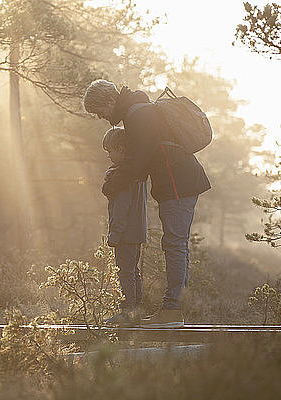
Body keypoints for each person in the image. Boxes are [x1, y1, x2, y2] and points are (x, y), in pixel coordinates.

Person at [83, 79, 211, 327]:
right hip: (177, 182)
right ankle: (174, 308)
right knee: (177, 245)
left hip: (178, 183)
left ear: (110, 101)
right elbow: (142, 158)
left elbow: (137, 161)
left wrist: (111, 184)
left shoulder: (138, 115)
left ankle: (173, 310)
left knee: (174, 245)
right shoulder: (138, 111)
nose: (101, 117)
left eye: (100, 112)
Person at [102, 127, 147, 326]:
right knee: (133, 270)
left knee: (125, 271)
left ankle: (127, 311)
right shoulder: (138, 174)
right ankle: (135, 310)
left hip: (125, 234)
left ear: (121, 149)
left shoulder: (122, 177)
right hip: (137, 232)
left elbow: (121, 207)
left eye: (110, 151)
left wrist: (114, 233)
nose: (109, 156)